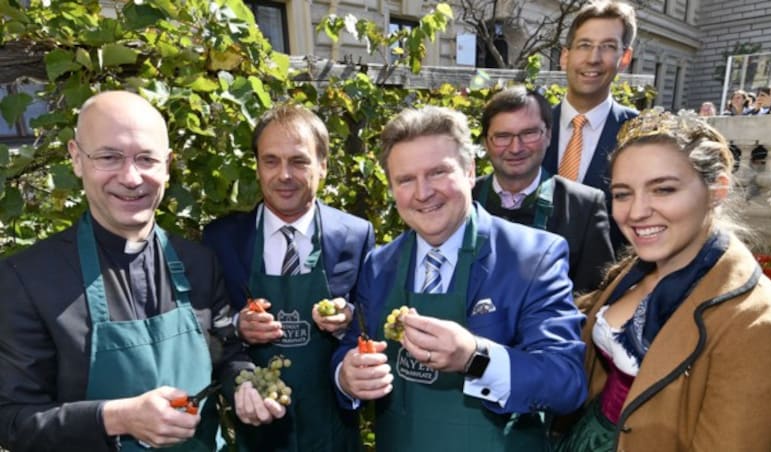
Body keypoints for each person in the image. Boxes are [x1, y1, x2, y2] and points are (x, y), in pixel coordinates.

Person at [0, 91, 285, 452]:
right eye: (109, 157)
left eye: (146, 159)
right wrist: (117, 417)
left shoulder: (199, 262)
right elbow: (12, 421)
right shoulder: (27, 277)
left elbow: (228, 354)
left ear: (167, 165)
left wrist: (245, 385)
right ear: (76, 158)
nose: (131, 177)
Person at [333, 105, 587, 451]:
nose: (423, 193)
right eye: (406, 180)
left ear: (470, 172)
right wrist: (346, 376)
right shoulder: (379, 265)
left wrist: (475, 358)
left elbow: (565, 383)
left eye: (438, 173)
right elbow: (351, 346)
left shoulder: (533, 256)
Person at [554, 108, 771, 451]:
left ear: (717, 189)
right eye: (623, 193)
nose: (637, 212)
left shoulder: (764, 326)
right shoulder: (636, 267)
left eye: (664, 190)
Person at [202, 104, 375, 452]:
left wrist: (347, 321)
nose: (284, 174)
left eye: (299, 161)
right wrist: (238, 324)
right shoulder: (221, 239)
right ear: (257, 166)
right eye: (271, 161)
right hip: (256, 427)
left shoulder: (356, 235)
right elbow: (205, 328)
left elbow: (371, 325)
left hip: (333, 430)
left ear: (323, 166)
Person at [473, 86, 614, 294]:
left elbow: (594, 297)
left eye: (529, 133)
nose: (516, 148)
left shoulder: (584, 206)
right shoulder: (462, 198)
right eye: (502, 136)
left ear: (548, 135)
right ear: (485, 142)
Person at [542, 0, 638, 251]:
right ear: (565, 56)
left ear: (625, 57)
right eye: (584, 45)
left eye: (607, 47)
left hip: (610, 283)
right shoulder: (532, 128)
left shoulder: (640, 135)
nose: (593, 58)